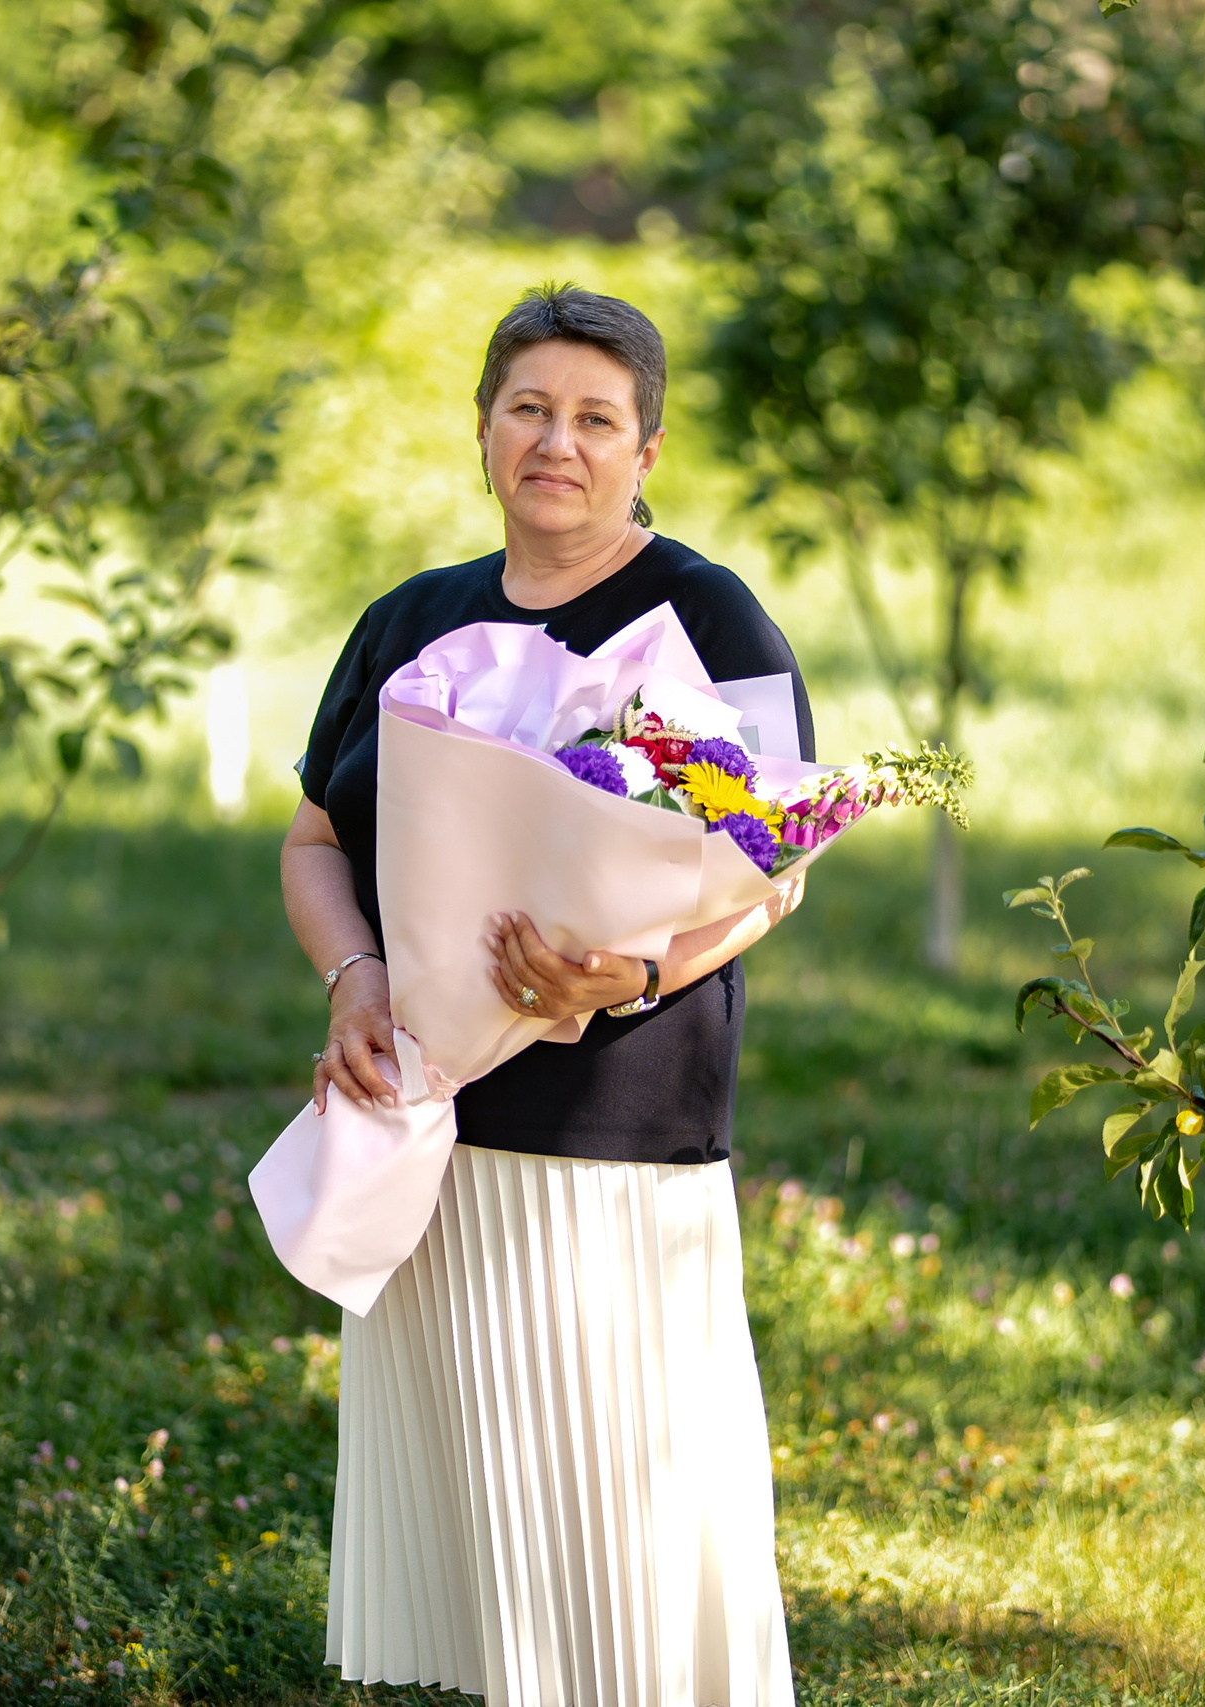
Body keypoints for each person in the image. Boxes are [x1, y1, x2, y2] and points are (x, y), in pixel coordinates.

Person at [282, 284, 804, 1707]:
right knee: (472, 1541)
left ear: (646, 449)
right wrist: (356, 976)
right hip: (425, 1127)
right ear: (483, 429)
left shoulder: (703, 615)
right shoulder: (410, 619)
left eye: (594, 417)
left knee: (619, 1536)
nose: (555, 442)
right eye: (528, 408)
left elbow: (771, 866)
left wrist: (631, 974)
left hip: (611, 1138)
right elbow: (318, 840)